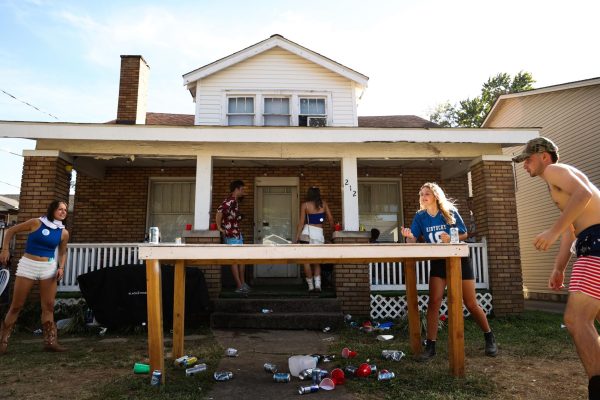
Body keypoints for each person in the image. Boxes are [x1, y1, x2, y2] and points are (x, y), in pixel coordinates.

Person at [512, 137, 600, 399]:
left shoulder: (555, 171)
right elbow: (570, 230)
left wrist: (551, 231)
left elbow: (584, 195)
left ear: (544, 156)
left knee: (576, 320)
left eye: (528, 159)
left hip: (596, 243)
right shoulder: (557, 184)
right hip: (589, 242)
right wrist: (559, 267)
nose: (525, 165)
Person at [401, 182, 497, 361]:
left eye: (427, 193)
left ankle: (489, 336)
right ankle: (430, 346)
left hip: (458, 259)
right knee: (434, 302)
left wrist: (450, 237)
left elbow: (464, 234)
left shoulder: (449, 212)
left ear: (436, 196)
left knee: (470, 303)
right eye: (421, 194)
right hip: (438, 262)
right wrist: (408, 236)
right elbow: (412, 241)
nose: (423, 197)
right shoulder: (420, 217)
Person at [0, 200, 69, 355]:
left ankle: (50, 342)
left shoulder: (63, 232)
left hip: (48, 268)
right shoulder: (36, 223)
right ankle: (2, 342)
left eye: (65, 210)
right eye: (60, 209)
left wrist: (61, 267)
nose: (63, 212)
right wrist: (5, 250)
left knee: (49, 305)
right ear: (52, 210)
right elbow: (11, 231)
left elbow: (62, 251)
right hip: (28, 265)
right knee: (16, 305)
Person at [294, 187, 333, 292]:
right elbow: (330, 218)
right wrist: (333, 231)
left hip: (306, 233)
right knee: (317, 261)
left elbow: (301, 222)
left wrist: (297, 237)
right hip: (318, 234)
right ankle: (318, 286)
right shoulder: (323, 204)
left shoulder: (305, 205)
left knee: (306, 262)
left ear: (309, 194)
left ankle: (310, 286)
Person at [216, 180, 250, 294]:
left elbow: (230, 216)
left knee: (242, 259)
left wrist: (238, 217)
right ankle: (239, 285)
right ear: (236, 189)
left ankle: (243, 283)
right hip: (231, 234)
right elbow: (219, 212)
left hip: (237, 233)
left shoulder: (234, 201)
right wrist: (219, 227)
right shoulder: (230, 200)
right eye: (242, 189)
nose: (243, 191)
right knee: (235, 260)